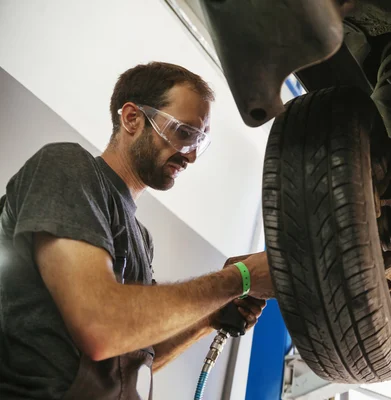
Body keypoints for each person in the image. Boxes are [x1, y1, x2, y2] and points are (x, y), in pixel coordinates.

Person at [0, 62, 274, 399]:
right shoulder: (67, 168)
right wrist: (239, 278)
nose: (189, 157)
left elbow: (137, 355)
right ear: (132, 118)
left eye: (198, 142)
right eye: (183, 133)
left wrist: (211, 316)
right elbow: (99, 326)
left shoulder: (141, 239)